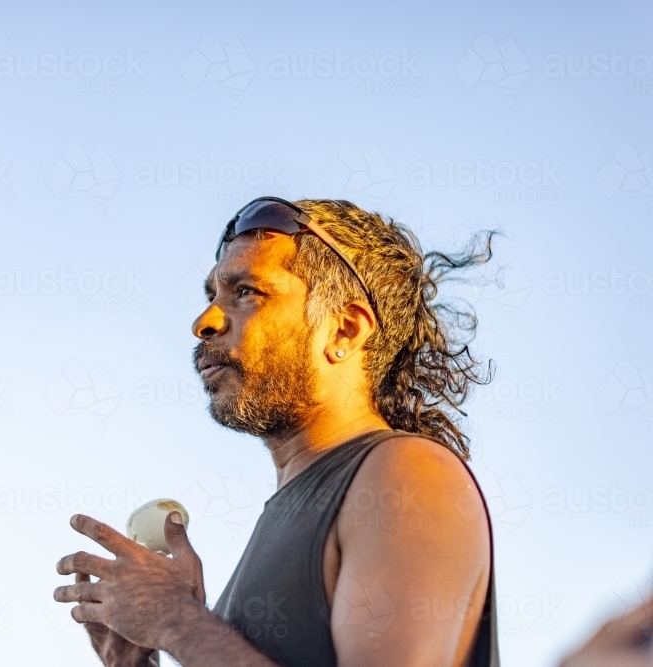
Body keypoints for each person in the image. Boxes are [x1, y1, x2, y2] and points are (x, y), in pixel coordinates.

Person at [54, 197, 499, 666]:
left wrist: (175, 621)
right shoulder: (291, 510)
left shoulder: (406, 474)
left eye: (246, 292)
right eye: (212, 296)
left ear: (344, 331)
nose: (203, 322)